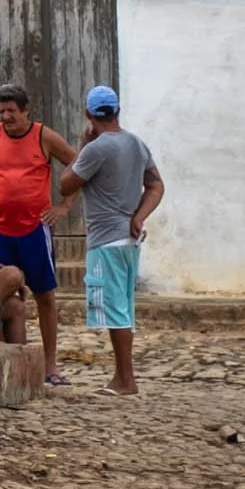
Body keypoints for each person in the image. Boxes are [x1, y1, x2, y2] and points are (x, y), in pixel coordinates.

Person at [0, 84, 78, 386]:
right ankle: (8, 363)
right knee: (2, 297)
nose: (7, 117)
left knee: (45, 297)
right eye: (2, 112)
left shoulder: (44, 136)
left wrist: (65, 206)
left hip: (34, 231)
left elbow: (77, 166)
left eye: (12, 111)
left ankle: (50, 366)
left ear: (26, 111)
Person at [59, 84, 165, 396]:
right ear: (117, 110)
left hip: (106, 239)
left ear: (89, 114)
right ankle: (124, 377)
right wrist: (139, 216)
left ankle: (124, 379)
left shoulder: (96, 149)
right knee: (124, 307)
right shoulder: (136, 143)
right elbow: (156, 186)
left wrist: (81, 145)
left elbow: (66, 185)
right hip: (129, 239)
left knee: (116, 309)